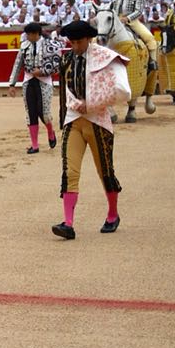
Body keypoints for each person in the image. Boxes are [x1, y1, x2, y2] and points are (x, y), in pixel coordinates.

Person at [53, 18, 129, 240]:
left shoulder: (106, 58)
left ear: (89, 38)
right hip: (73, 119)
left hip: (98, 121)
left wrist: (93, 103)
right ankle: (68, 223)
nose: (74, 46)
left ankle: (113, 214)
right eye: (71, 42)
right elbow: (65, 90)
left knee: (105, 171)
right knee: (70, 172)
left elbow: (123, 92)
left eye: (78, 42)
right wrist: (71, 111)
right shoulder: (67, 59)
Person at [7, 21, 61, 154]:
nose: (27, 37)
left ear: (36, 34)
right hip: (29, 81)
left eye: (29, 34)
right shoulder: (24, 46)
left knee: (45, 113)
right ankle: (35, 145)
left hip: (44, 81)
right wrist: (12, 84)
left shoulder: (50, 45)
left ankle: (50, 132)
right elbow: (17, 64)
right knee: (31, 112)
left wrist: (42, 71)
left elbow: (56, 63)